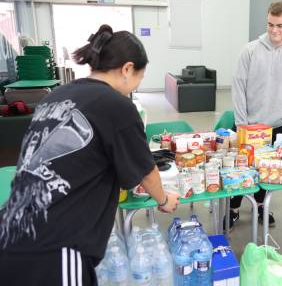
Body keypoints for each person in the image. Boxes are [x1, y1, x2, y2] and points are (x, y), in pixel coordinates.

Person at [0, 24, 180, 285]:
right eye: (139, 79)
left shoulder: (57, 96)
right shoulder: (117, 105)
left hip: (10, 232)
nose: (134, 88)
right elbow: (146, 171)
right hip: (54, 250)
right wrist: (164, 200)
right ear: (127, 69)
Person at [229, 0, 282, 229]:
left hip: (277, 128)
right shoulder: (250, 51)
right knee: (242, 170)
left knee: (269, 171)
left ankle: (262, 205)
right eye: (270, 24)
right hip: (249, 126)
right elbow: (238, 90)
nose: (274, 30)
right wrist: (241, 126)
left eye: (280, 25)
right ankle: (234, 208)